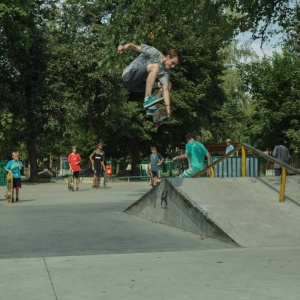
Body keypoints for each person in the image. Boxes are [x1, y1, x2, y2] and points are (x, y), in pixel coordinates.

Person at [117, 43, 181, 116]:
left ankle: (152, 107)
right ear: (168, 57)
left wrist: (168, 108)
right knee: (155, 67)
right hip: (129, 75)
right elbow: (134, 46)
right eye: (173, 63)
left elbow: (166, 90)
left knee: (168, 84)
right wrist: (124, 47)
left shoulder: (166, 72)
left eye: (175, 65)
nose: (173, 66)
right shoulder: (155, 53)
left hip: (136, 87)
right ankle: (147, 98)